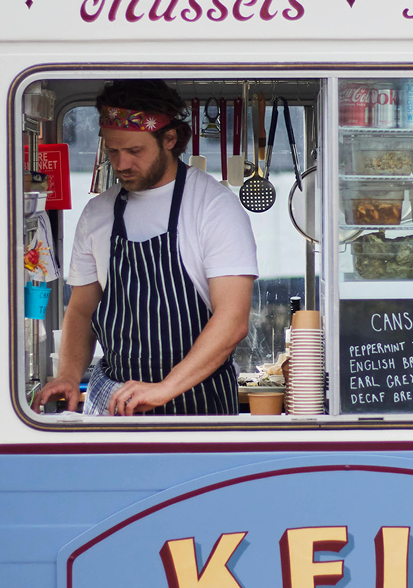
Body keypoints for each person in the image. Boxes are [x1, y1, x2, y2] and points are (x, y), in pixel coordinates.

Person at [36, 81, 257, 416]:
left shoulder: (213, 207)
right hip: (112, 400)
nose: (121, 164)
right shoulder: (97, 213)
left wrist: (164, 389)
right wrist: (68, 375)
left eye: (135, 151)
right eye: (113, 151)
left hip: (195, 402)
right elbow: (82, 310)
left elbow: (233, 319)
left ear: (169, 140)